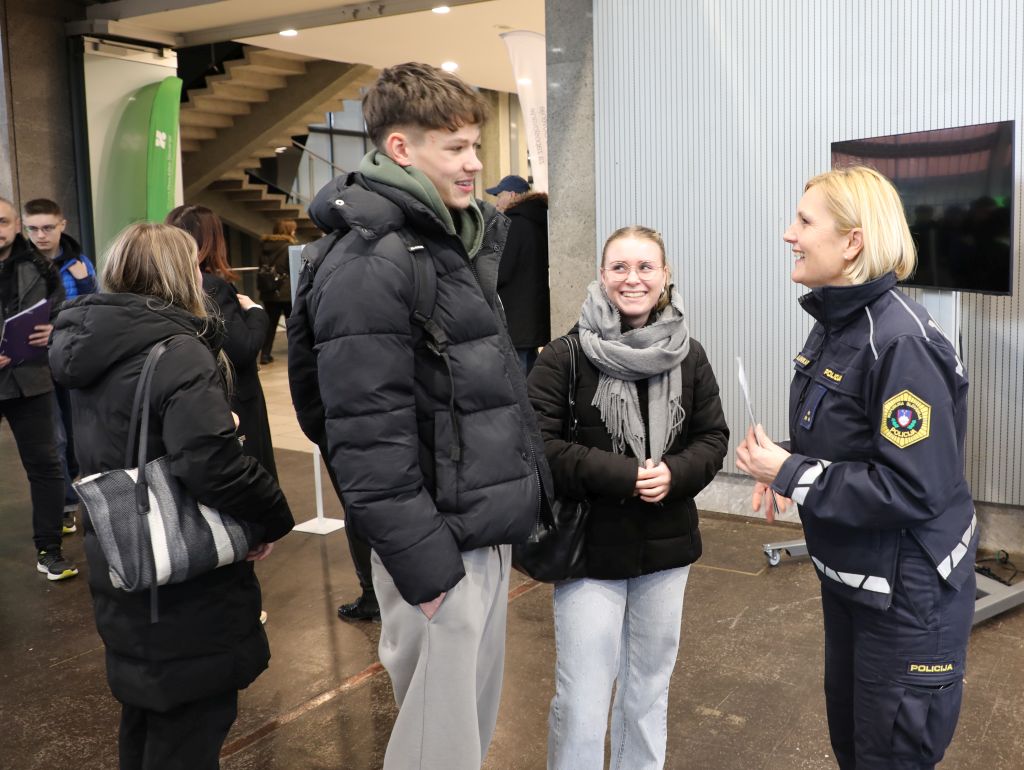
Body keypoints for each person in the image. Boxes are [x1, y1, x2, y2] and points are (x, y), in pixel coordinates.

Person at [293, 61, 552, 770]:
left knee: (464, 734)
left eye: (475, 145)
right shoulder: (371, 261)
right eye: (456, 148)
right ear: (400, 149)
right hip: (437, 547)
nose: (475, 163)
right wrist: (427, 569)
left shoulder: (449, 241)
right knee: (437, 749)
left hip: (479, 531)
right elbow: (362, 436)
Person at [736, 166, 977, 769]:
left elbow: (913, 487)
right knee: (855, 749)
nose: (789, 234)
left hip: (908, 602)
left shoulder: (900, 342)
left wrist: (792, 474)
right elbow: (849, 442)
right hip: (854, 585)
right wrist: (789, 472)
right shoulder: (837, 324)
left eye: (805, 221)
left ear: (852, 242)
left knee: (889, 756)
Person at [49, 222, 294, 769]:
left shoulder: (90, 347)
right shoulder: (178, 351)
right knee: (190, 729)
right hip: (184, 572)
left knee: (149, 719)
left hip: (123, 551)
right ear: (182, 275)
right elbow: (213, 464)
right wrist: (271, 519)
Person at [528, 225, 729, 769]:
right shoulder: (564, 357)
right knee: (582, 701)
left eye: (645, 267)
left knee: (646, 693)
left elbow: (713, 438)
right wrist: (625, 474)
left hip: (665, 550)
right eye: (619, 267)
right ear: (601, 275)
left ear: (665, 276)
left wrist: (676, 473)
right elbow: (539, 447)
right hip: (590, 551)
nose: (632, 279)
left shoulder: (689, 356)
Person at [165, 205, 277, 481]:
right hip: (232, 400)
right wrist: (256, 313)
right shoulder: (212, 287)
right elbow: (243, 348)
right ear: (213, 239)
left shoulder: (165, 286)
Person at [0, 197, 76, 580]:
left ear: (16, 225)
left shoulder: (40, 266)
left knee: (46, 466)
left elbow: (62, 308)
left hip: (31, 379)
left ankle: (49, 549)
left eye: (3, 221)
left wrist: (55, 328)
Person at [23, 197, 98, 535]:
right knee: (56, 439)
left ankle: (73, 492)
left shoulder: (80, 264)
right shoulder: (20, 266)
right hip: (35, 364)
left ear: (62, 225)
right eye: (33, 228)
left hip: (73, 359)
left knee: (75, 434)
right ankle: (65, 504)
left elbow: (93, 308)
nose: (40, 235)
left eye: (47, 228)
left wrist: (84, 283)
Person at [492, 182, 550, 375]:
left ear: (511, 194)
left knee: (517, 380)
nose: (497, 202)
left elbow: (501, 271)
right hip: (533, 315)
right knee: (530, 371)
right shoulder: (540, 220)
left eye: (498, 195)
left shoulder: (512, 224)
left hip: (514, 316)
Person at [257, 218, 296, 365]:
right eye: (292, 229)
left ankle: (265, 355)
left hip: (268, 290)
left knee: (271, 324)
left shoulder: (264, 246)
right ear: (287, 231)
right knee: (293, 324)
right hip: (285, 291)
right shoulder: (289, 247)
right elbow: (291, 268)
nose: (294, 231)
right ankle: (296, 353)